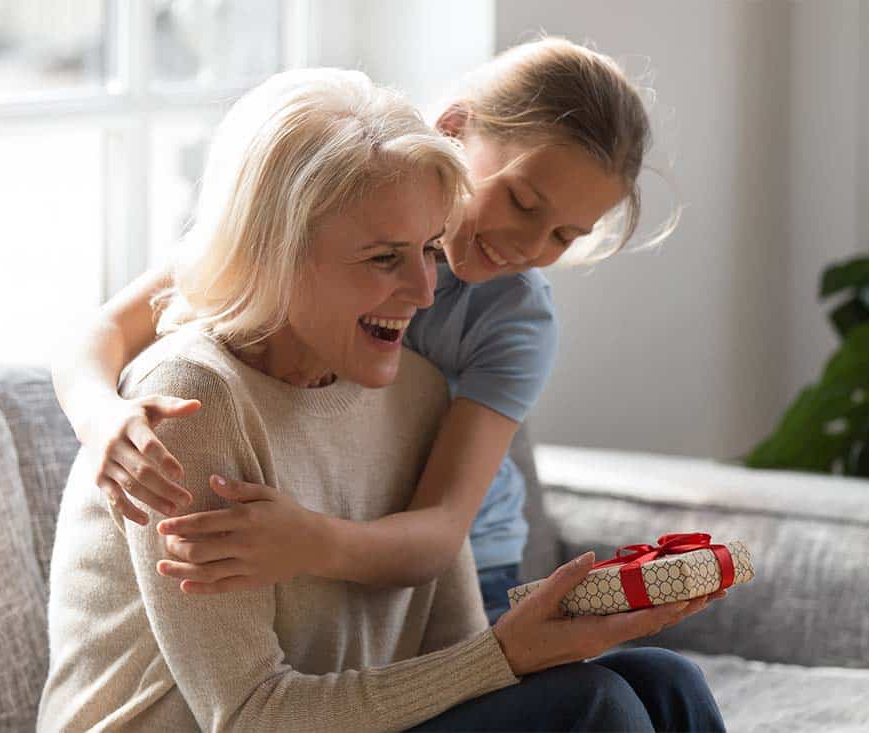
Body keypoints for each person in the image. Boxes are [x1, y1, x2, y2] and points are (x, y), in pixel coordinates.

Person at [38, 68, 725, 732]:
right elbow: (247, 715)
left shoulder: (420, 387)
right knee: (593, 708)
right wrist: (100, 417)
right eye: (383, 258)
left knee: (667, 684)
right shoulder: (189, 404)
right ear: (279, 248)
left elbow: (450, 647)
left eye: (429, 250)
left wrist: (516, 650)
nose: (427, 292)